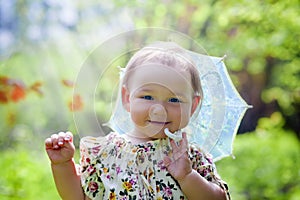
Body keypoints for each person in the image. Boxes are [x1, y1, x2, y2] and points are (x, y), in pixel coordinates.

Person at [45, 41, 230, 200]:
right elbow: (80, 196)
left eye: (174, 100)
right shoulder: (106, 153)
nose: (159, 110)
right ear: (127, 98)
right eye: (147, 97)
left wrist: (187, 176)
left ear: (193, 106)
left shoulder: (191, 157)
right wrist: (62, 165)